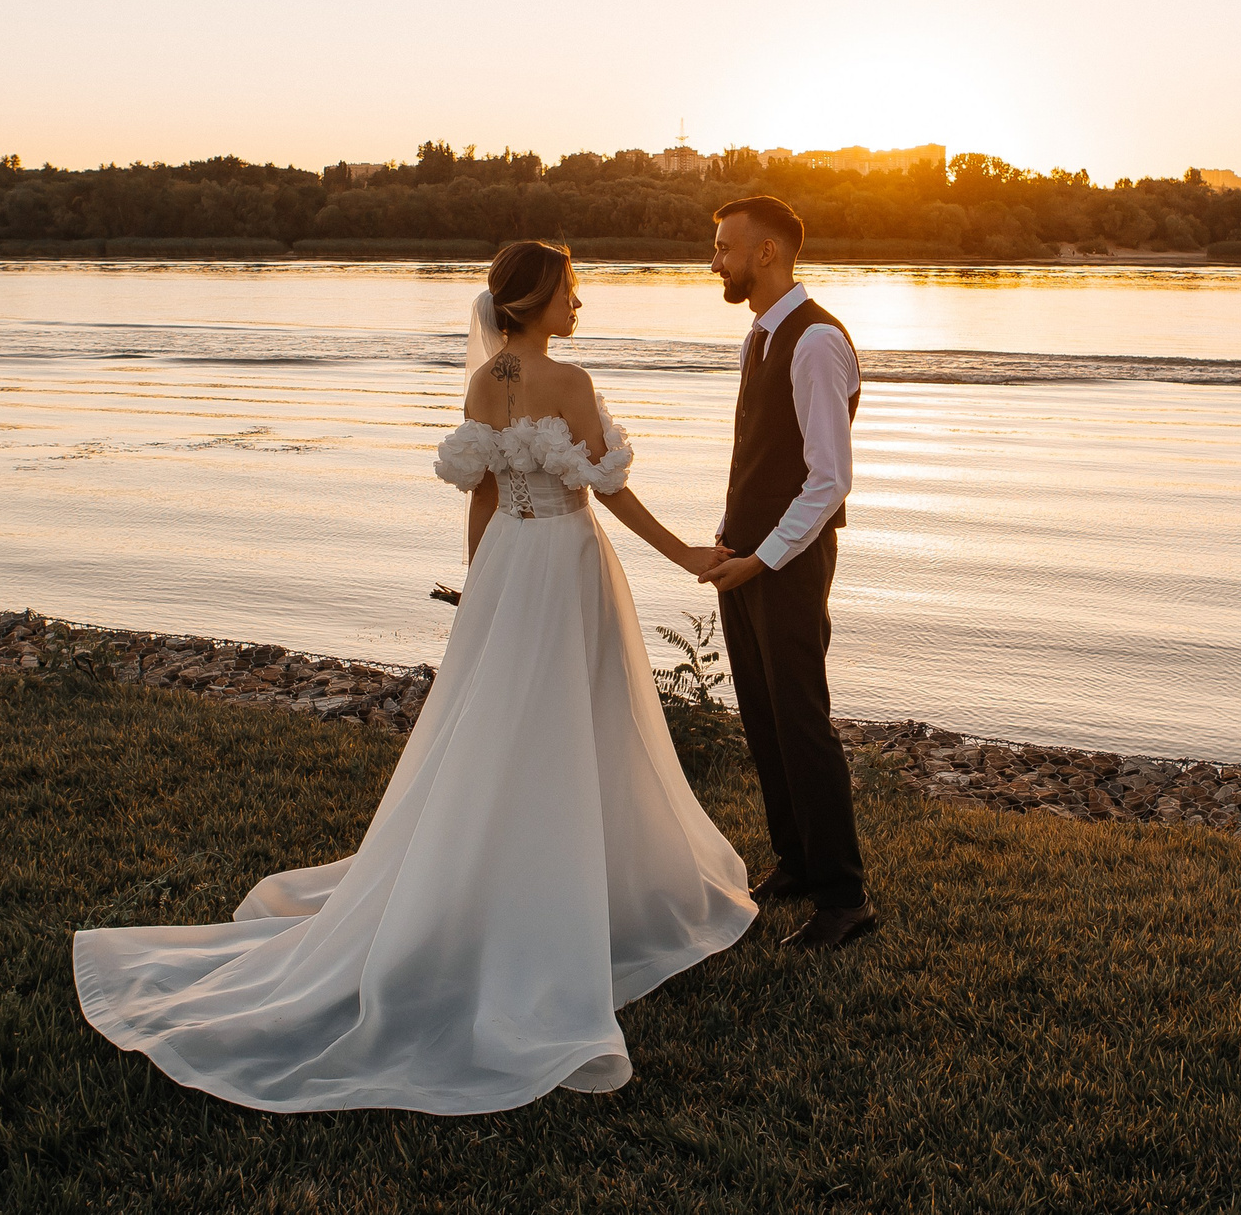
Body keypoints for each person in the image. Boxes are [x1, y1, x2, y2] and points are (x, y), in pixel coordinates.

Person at [72, 241, 757, 1114]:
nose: (579, 305)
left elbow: (480, 492)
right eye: (571, 291)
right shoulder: (572, 382)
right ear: (537, 297)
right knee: (577, 722)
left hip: (510, 564)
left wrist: (479, 588)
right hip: (562, 563)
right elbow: (609, 495)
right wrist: (689, 553)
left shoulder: (485, 382)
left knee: (501, 725)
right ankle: (559, 893)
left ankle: (524, 871)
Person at [699, 195, 877, 951]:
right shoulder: (758, 338)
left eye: (724, 247)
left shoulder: (816, 343)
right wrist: (726, 540)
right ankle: (797, 861)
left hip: (790, 563)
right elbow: (759, 456)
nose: (715, 261)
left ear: (766, 252)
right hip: (746, 556)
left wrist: (764, 556)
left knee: (802, 721)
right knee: (763, 715)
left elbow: (827, 478)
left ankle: (845, 898)